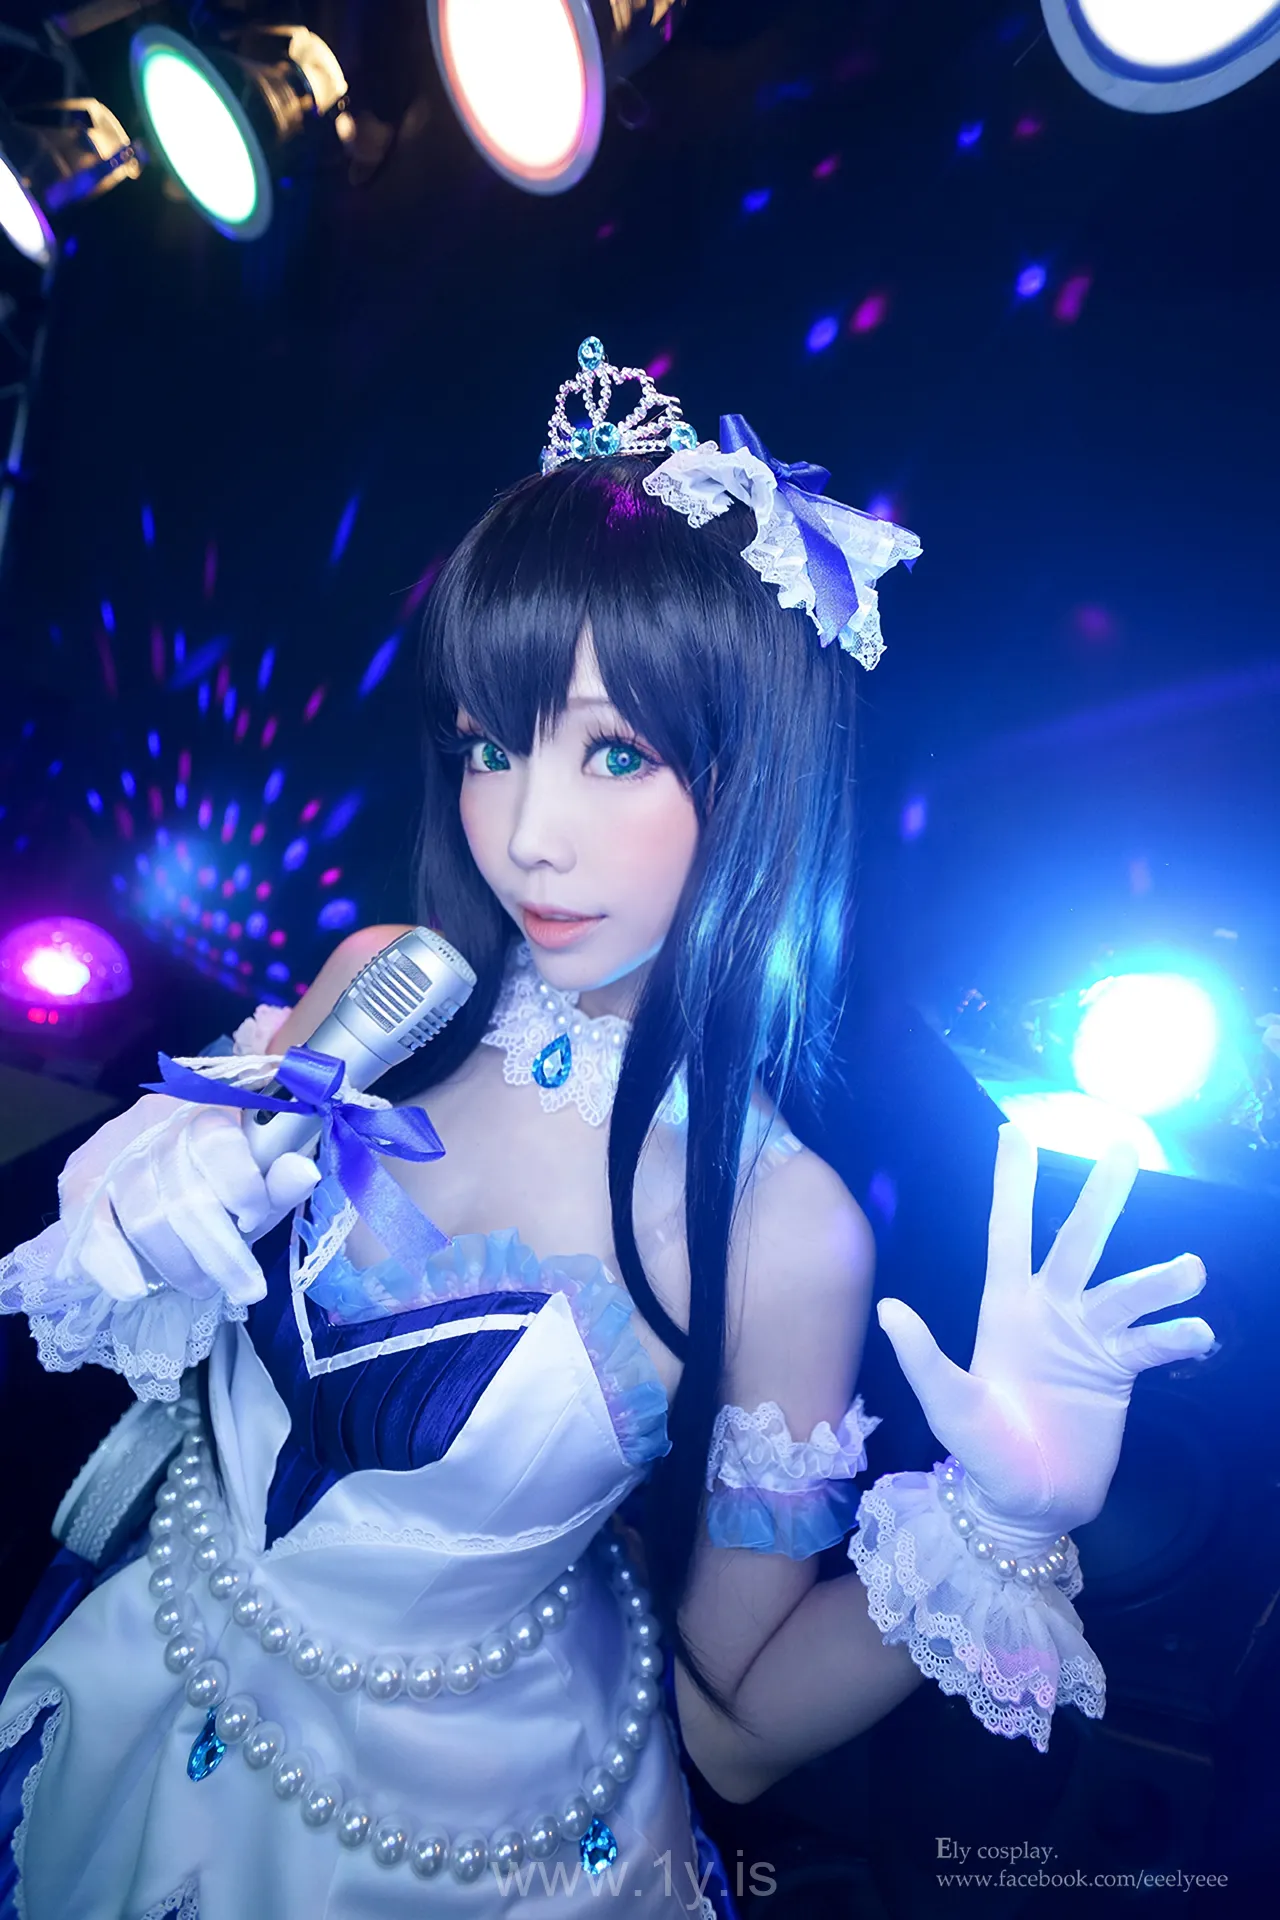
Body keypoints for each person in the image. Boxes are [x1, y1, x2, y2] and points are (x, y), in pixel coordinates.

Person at [0, 342, 1214, 1919]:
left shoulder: (782, 1228)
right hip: (124, 1682)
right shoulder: (384, 986)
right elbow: (119, 1317)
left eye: (615, 753)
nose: (525, 833)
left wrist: (1007, 1522)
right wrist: (163, 1177)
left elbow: (736, 1728)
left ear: (753, 774)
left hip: (448, 1856)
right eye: (489, 744)